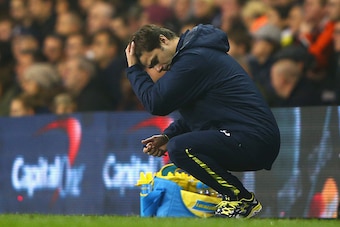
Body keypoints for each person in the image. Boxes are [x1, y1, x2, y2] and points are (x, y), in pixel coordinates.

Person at [125, 24, 281, 218]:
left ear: (163, 40)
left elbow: (155, 103)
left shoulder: (193, 59)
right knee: (177, 146)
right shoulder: (194, 57)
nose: (159, 68)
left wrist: (133, 70)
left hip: (254, 137)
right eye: (152, 67)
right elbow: (197, 115)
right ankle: (236, 200)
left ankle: (240, 199)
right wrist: (167, 136)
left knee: (181, 148)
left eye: (155, 60)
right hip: (248, 135)